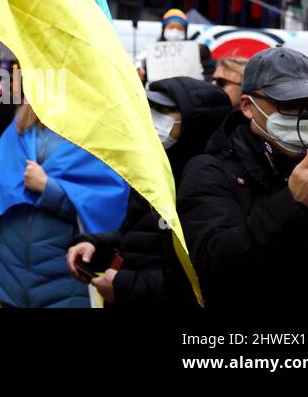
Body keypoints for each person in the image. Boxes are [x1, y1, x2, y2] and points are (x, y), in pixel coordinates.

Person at [178, 47, 308, 308]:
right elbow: (212, 263)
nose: (303, 115)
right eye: (288, 105)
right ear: (247, 106)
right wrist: (294, 203)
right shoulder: (211, 170)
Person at [66, 76, 231, 307]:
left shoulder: (206, 182)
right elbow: (135, 236)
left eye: (165, 110)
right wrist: (96, 246)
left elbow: (197, 276)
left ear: (197, 122)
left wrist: (124, 286)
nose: (154, 118)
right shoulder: (154, 168)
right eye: (152, 108)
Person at [0, 93, 129, 307]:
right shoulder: (20, 126)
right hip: (9, 277)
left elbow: (106, 211)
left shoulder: (97, 137)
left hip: (65, 283)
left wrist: (48, 189)